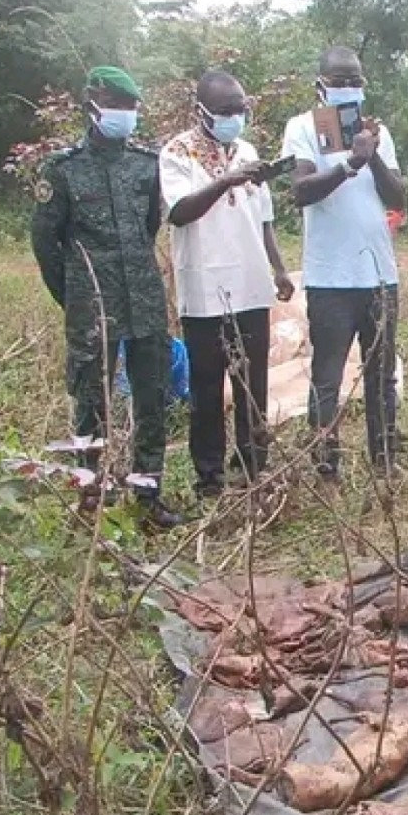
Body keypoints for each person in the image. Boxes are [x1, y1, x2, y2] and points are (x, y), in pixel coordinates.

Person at [30, 66, 180, 528]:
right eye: (117, 105)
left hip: (145, 299)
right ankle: (90, 496)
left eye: (131, 106)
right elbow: (45, 242)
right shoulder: (62, 169)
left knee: (152, 398)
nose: (125, 115)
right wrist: (74, 295)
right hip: (91, 305)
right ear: (92, 106)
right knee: (91, 402)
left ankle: (147, 494)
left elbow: (150, 227)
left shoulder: (146, 163)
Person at [159, 70, 293, 498]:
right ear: (201, 111)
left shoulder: (248, 150)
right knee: (207, 387)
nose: (236, 117)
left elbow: (265, 219)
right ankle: (210, 477)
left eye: (241, 108)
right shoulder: (177, 153)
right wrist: (225, 181)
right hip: (204, 292)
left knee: (252, 384)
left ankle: (253, 468)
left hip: (251, 285)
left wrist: (279, 268)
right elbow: (179, 212)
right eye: (226, 111)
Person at [284, 47, 407, 478]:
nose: (347, 88)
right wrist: (348, 164)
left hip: (379, 274)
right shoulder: (301, 128)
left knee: (382, 374)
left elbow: (397, 197)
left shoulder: (379, 133)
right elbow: (301, 191)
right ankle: (325, 463)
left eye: (353, 80)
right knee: (328, 375)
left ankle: (385, 459)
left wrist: (370, 154)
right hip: (330, 276)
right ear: (320, 85)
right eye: (338, 81)